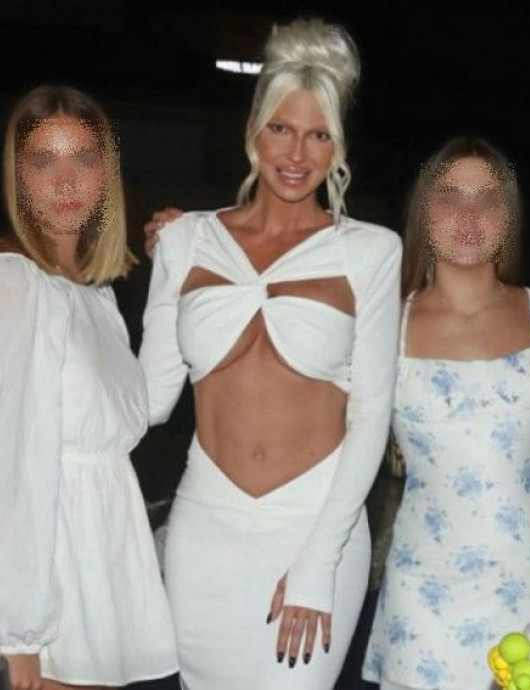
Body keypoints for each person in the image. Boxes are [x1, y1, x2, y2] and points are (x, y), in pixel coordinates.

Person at [139, 18, 401, 689]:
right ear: (254, 129)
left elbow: (371, 415)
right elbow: (150, 400)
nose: (297, 153)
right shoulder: (188, 240)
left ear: (337, 146)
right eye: (282, 128)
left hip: (315, 527)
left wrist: (318, 561)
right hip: (204, 529)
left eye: (319, 134)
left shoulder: (369, 251)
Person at [362, 137, 530, 690]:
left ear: (509, 216)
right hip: (425, 594)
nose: (469, 216)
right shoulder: (381, 326)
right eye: (450, 197)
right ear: (423, 212)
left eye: (487, 199)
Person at [0, 85, 177, 690]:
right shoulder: (11, 281)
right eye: (43, 161)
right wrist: (15, 633)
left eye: (82, 158)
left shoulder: (95, 297)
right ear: (17, 176)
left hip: (102, 563)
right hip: (42, 578)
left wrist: (174, 270)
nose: (65, 182)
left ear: (106, 174)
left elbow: (144, 409)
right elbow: (0, 460)